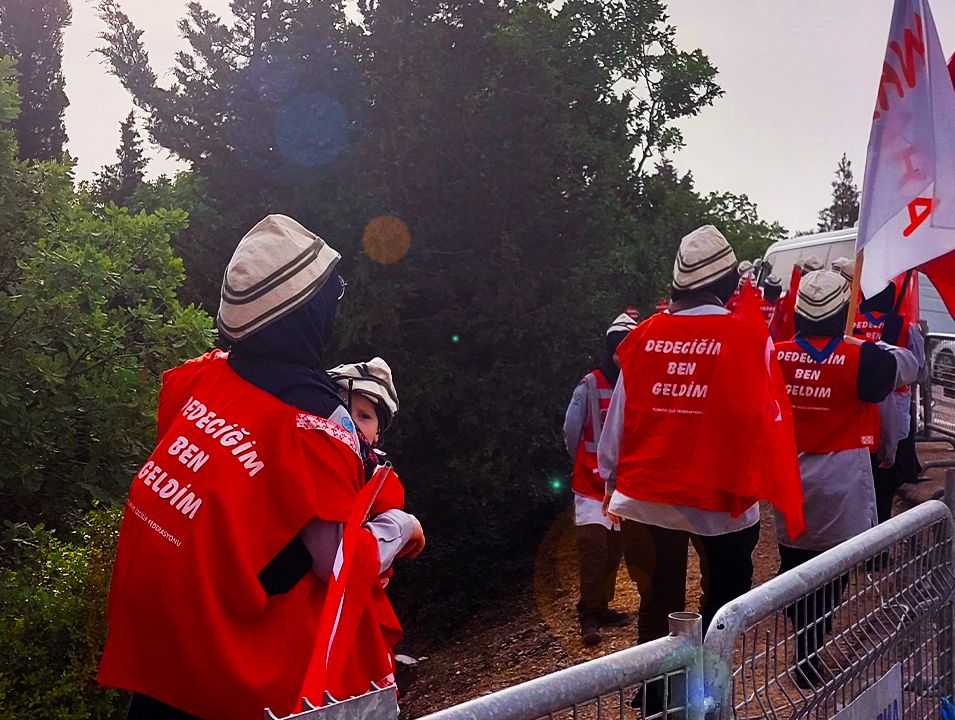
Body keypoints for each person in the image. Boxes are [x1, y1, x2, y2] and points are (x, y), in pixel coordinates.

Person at [98, 215, 423, 720]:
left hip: (158, 650)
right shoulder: (317, 424)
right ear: (305, 312)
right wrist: (400, 527)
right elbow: (335, 566)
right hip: (230, 668)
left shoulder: (199, 378)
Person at [598, 225, 804, 648]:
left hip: (647, 496)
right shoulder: (750, 336)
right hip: (723, 499)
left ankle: (658, 697)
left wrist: (609, 479)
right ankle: (710, 697)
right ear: (730, 284)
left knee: (657, 603)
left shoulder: (643, 336)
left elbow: (618, 418)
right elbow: (767, 419)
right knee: (723, 603)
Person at [775, 270, 918, 687]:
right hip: (843, 481)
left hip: (791, 477)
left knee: (794, 561)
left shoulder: (776, 355)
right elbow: (908, 368)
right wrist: (868, 341)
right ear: (842, 313)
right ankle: (810, 648)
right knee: (834, 571)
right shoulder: (864, 360)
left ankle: (801, 634)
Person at [563, 313, 638, 645]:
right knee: (593, 548)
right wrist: (582, 462)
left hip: (622, 485)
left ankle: (602, 605)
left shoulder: (637, 382)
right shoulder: (590, 384)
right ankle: (588, 615)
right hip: (591, 485)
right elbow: (571, 430)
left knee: (613, 550)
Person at [845, 262, 927, 522]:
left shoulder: (850, 324)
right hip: (893, 412)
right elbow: (920, 370)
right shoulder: (905, 328)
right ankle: (877, 543)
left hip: (857, 411)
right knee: (885, 486)